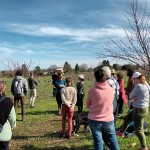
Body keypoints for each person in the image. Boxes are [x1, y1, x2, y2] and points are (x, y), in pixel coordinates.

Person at [86, 68, 119, 150]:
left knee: (98, 141)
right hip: (108, 119)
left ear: (95, 77)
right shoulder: (111, 90)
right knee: (113, 139)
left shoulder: (92, 91)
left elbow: (87, 105)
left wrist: (95, 108)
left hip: (94, 120)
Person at [116, 72, 149, 150]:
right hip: (143, 108)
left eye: (133, 80)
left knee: (139, 130)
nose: (133, 81)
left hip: (139, 109)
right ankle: (121, 132)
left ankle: (144, 147)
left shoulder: (138, 86)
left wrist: (134, 98)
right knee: (128, 117)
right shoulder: (147, 86)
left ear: (136, 79)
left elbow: (130, 96)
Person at [0, 81, 16, 150]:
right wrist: (13, 126)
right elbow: (12, 119)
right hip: (3, 134)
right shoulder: (7, 101)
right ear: (3, 88)